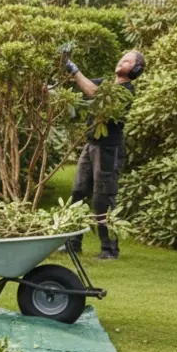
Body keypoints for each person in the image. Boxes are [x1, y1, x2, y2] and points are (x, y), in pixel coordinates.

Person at [61, 49, 144, 261]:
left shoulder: (126, 90)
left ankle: (109, 250)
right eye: (122, 57)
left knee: (103, 199)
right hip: (91, 145)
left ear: (135, 69)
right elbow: (81, 88)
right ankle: (73, 243)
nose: (121, 60)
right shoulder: (106, 83)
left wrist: (75, 69)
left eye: (127, 60)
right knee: (78, 193)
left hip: (109, 150)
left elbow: (94, 94)